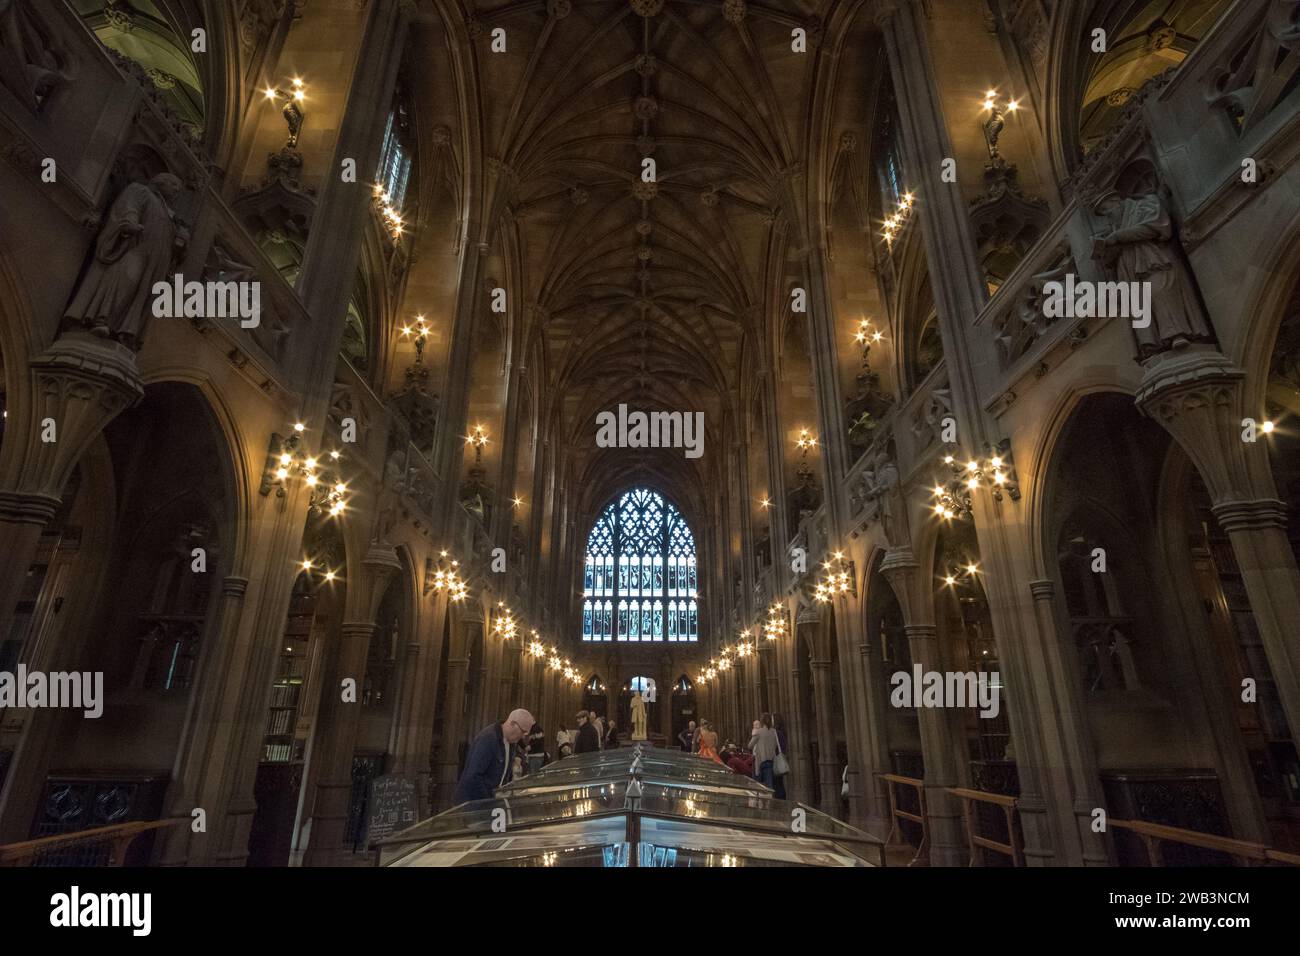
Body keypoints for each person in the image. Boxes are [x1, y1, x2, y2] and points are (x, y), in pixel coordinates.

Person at [453, 707, 534, 804]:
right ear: (513, 724)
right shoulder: (488, 739)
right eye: (523, 731)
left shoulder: (512, 742)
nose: (523, 736)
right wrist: (489, 801)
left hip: (492, 800)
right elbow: (474, 776)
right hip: (473, 803)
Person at [749, 714, 779, 790]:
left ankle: (764, 800)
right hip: (771, 760)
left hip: (761, 761)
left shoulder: (759, 732)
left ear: (762, 721)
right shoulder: (774, 731)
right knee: (769, 784)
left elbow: (750, 745)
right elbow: (775, 745)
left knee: (759, 785)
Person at [772, 713, 789, 800]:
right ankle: (782, 800)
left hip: (776, 759)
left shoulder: (776, 733)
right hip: (781, 758)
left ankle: (780, 802)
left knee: (777, 784)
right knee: (780, 783)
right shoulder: (782, 732)